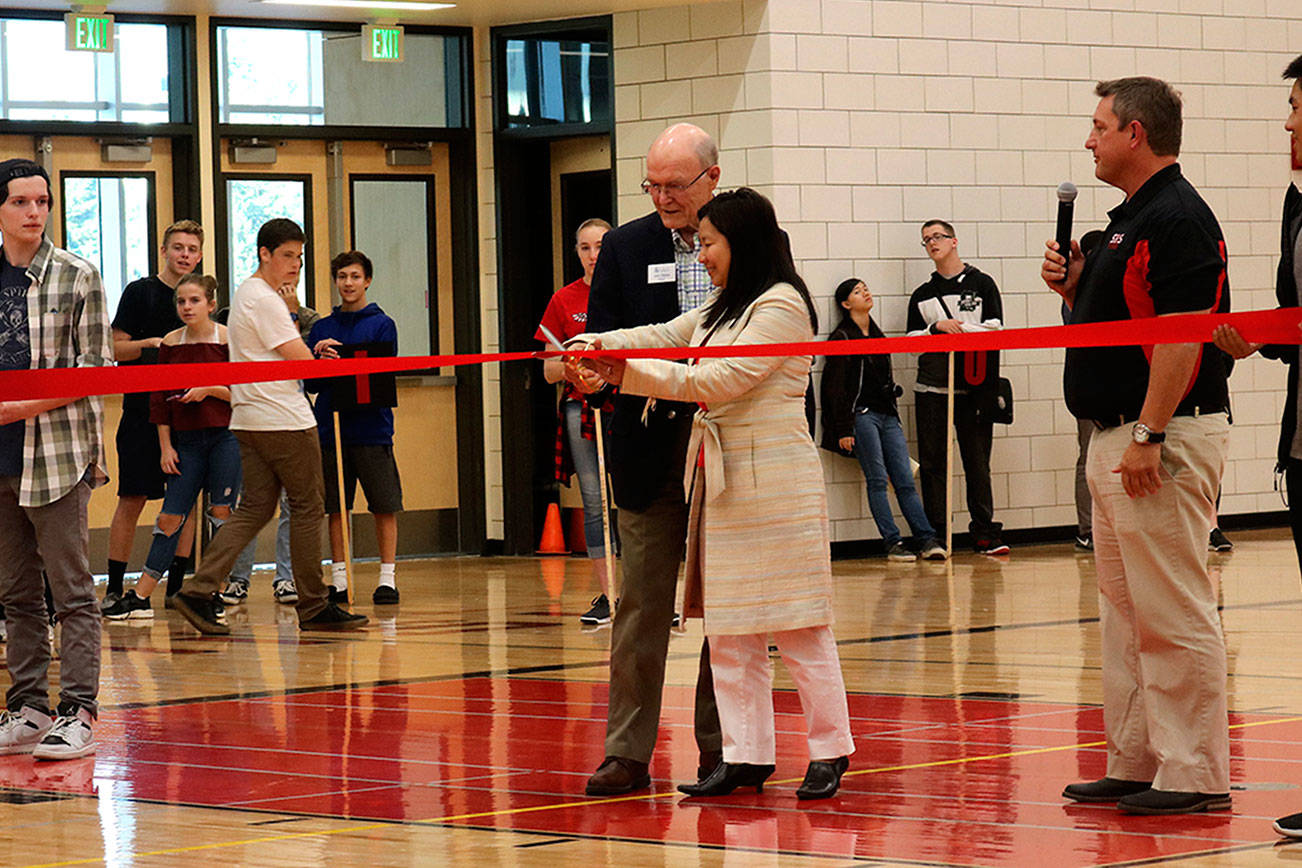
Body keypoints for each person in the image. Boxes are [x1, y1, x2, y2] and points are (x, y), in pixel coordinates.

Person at [579, 188, 855, 799]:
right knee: (731, 629)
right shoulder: (726, 304)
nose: (699, 255)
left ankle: (830, 749)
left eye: (708, 244)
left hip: (778, 477)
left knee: (801, 624)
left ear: (743, 241)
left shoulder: (781, 304)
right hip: (724, 481)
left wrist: (623, 374)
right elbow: (665, 333)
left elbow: (719, 378)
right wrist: (598, 346)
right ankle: (745, 755)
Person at [1045, 77, 1232, 815]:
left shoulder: (1177, 216)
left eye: (1098, 127)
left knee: (1172, 609)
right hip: (1115, 434)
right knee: (1126, 614)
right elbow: (1123, 328)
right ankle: (1138, 756)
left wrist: (1151, 434)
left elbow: (1183, 336)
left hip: (1161, 435)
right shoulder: (1127, 220)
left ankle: (1194, 771)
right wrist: (1075, 292)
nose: (1088, 140)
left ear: (1136, 134)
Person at [574, 123, 722, 796]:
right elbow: (603, 336)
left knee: (728, 604)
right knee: (639, 604)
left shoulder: (747, 236)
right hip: (644, 444)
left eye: (674, 185)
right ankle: (628, 751)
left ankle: (727, 748)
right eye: (652, 185)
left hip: (724, 446)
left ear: (710, 180)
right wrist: (590, 369)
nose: (662, 198)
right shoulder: (627, 246)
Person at [170, 218, 367, 635]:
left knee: (255, 508)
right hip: (283, 419)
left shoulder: (248, 294)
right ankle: (313, 605)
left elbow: (280, 352)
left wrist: (307, 349)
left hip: (249, 417)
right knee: (309, 506)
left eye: (299, 256)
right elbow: (298, 359)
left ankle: (199, 589)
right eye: (287, 256)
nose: (295, 264)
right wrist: (317, 354)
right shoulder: (265, 299)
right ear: (265, 254)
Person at [1213, 56, 1302, 836]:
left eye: (1297, 106)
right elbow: (1294, 312)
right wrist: (1259, 340)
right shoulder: (1296, 204)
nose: (1287, 122)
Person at [0, 158, 113, 759]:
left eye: (41, 201)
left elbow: (95, 372)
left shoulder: (77, 275)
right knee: (16, 592)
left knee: (72, 590)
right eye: (21, 201)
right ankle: (26, 707)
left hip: (58, 453)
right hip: (1, 458)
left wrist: (22, 408)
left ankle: (78, 709)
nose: (34, 212)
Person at [103, 275, 237, 621]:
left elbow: (243, 393)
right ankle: (141, 595)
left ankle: (212, 591)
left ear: (210, 304)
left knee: (221, 514)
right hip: (186, 441)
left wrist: (209, 390)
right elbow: (159, 398)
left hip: (225, 437)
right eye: (181, 302)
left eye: (195, 301)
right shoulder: (170, 344)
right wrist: (165, 446)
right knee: (169, 516)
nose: (187, 308)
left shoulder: (228, 339)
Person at [104, 220, 203, 609]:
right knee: (132, 498)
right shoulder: (140, 292)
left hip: (188, 414)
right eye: (177, 247)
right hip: (142, 411)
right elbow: (114, 348)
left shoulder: (200, 298)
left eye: (192, 249)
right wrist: (151, 345)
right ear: (164, 251)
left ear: (199, 256)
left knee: (186, 502)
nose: (184, 255)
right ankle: (114, 585)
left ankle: (177, 589)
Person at [820, 278, 946, 562]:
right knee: (877, 480)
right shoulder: (842, 337)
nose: (865, 292)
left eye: (865, 287)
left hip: (887, 416)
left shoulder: (877, 336)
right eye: (856, 291)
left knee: (904, 479)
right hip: (861, 416)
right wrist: (842, 427)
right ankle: (892, 541)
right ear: (845, 304)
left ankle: (926, 538)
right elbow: (834, 387)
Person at [307, 251, 403, 605]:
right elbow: (310, 384)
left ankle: (387, 579)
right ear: (335, 281)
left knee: (383, 504)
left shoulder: (382, 324)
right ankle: (339, 579)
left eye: (355, 276)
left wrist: (345, 358)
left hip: (372, 429)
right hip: (332, 431)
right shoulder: (321, 328)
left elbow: (380, 373)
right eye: (342, 276)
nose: (348, 283)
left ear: (367, 281)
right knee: (336, 507)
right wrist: (319, 360)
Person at [906, 219, 1008, 555]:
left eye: (937, 236)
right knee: (934, 463)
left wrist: (962, 329)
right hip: (932, 389)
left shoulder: (982, 284)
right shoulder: (922, 295)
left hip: (974, 389)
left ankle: (984, 533)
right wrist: (936, 328)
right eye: (926, 240)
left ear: (954, 241)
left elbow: (996, 331)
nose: (932, 243)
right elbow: (911, 341)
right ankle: (936, 535)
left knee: (977, 462)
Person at [218, 287, 321, 608]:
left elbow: (308, 367)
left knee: (293, 504)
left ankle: (288, 579)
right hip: (261, 417)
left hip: (291, 414)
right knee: (254, 506)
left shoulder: (309, 319)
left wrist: (294, 317)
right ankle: (234, 579)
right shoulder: (247, 309)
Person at [536, 218, 615, 624]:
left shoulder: (626, 293)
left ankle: (647, 595)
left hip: (627, 405)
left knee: (636, 500)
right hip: (580, 409)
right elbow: (547, 368)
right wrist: (569, 370)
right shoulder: (563, 300)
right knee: (594, 501)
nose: (592, 255)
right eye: (585, 248)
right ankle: (607, 594)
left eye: (600, 246)